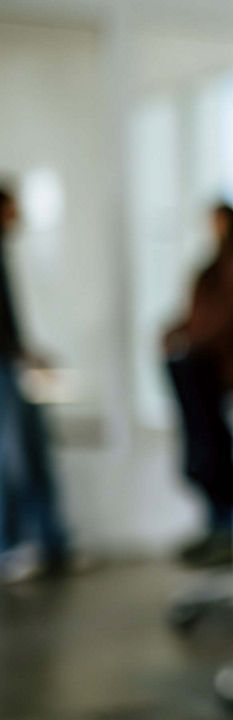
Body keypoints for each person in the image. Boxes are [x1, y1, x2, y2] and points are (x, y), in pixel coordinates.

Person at [164, 202, 233, 566]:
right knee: (204, 452)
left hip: (224, 377)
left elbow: (226, 320)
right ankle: (216, 528)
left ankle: (229, 533)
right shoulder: (210, 269)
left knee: (219, 453)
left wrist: (193, 339)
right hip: (198, 373)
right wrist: (174, 335)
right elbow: (194, 316)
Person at [0, 182, 69, 581]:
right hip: (5, 367)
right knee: (14, 460)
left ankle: (51, 543)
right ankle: (11, 545)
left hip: (12, 364)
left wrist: (25, 353)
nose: (19, 215)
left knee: (33, 454)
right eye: (14, 208)